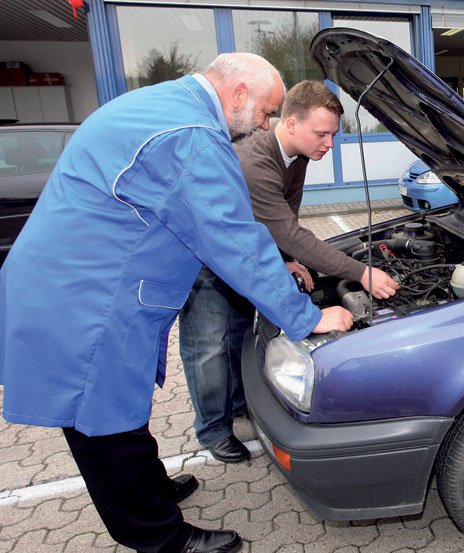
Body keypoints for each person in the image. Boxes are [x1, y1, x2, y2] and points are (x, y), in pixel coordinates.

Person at [0, 53, 352, 553]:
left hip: (79, 286)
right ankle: (158, 536)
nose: (265, 123)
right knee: (101, 425)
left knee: (123, 408)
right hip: (83, 305)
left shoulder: (164, 104)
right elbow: (233, 240)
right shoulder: (191, 136)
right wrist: (308, 316)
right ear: (237, 96)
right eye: (266, 111)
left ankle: (151, 490)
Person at [179, 81, 400, 463]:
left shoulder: (296, 156)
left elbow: (281, 217)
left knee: (235, 334)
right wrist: (361, 273)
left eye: (333, 134)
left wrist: (284, 258)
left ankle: (236, 406)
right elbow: (291, 231)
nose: (329, 144)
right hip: (206, 260)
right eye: (322, 133)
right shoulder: (256, 162)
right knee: (210, 346)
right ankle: (213, 431)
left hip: (241, 250)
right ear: (291, 123)